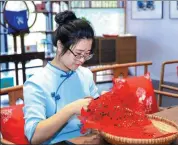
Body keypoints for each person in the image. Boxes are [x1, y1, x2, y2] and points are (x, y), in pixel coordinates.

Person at [23, 10, 99, 144]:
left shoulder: (85, 74)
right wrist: (71, 109)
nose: (82, 60)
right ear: (60, 45)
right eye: (78, 53)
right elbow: (34, 136)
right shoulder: (36, 83)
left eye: (87, 54)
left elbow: (97, 116)